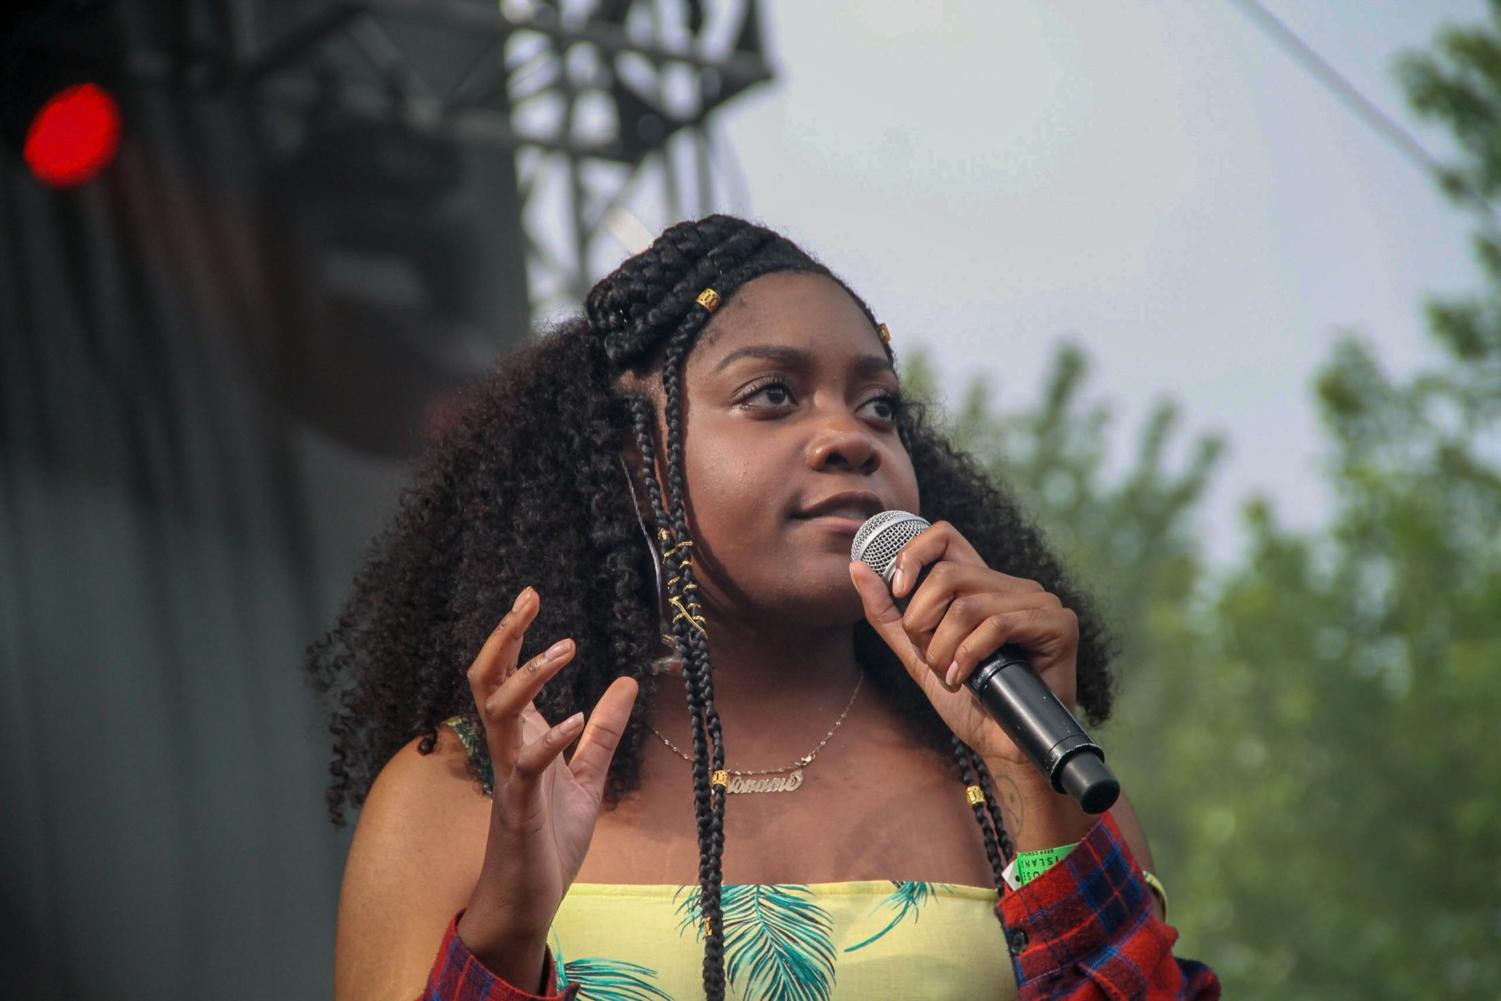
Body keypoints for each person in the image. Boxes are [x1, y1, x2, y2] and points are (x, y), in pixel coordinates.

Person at [311, 215, 1220, 1000]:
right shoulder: (468, 791)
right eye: (772, 395)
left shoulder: (1027, 777)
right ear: (635, 460)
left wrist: (1033, 781)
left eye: (877, 407)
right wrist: (505, 937)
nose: (846, 437)